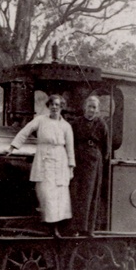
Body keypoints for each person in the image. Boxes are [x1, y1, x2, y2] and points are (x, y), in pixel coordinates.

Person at [8, 94, 75, 231]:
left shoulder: (66, 126)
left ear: (61, 107)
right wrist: (13, 146)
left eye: (57, 105)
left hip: (60, 160)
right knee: (45, 191)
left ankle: (58, 226)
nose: (54, 107)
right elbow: (25, 131)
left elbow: (70, 147)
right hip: (44, 159)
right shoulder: (40, 120)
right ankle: (47, 223)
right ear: (48, 106)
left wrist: (71, 167)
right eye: (52, 104)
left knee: (59, 193)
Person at [69, 95, 108, 235]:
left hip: (93, 161)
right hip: (78, 159)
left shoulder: (101, 124)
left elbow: (105, 146)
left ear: (97, 110)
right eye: (89, 106)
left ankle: (89, 228)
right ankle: (75, 228)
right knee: (77, 193)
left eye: (94, 107)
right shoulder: (76, 123)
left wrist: (97, 159)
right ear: (85, 107)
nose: (91, 109)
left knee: (91, 193)